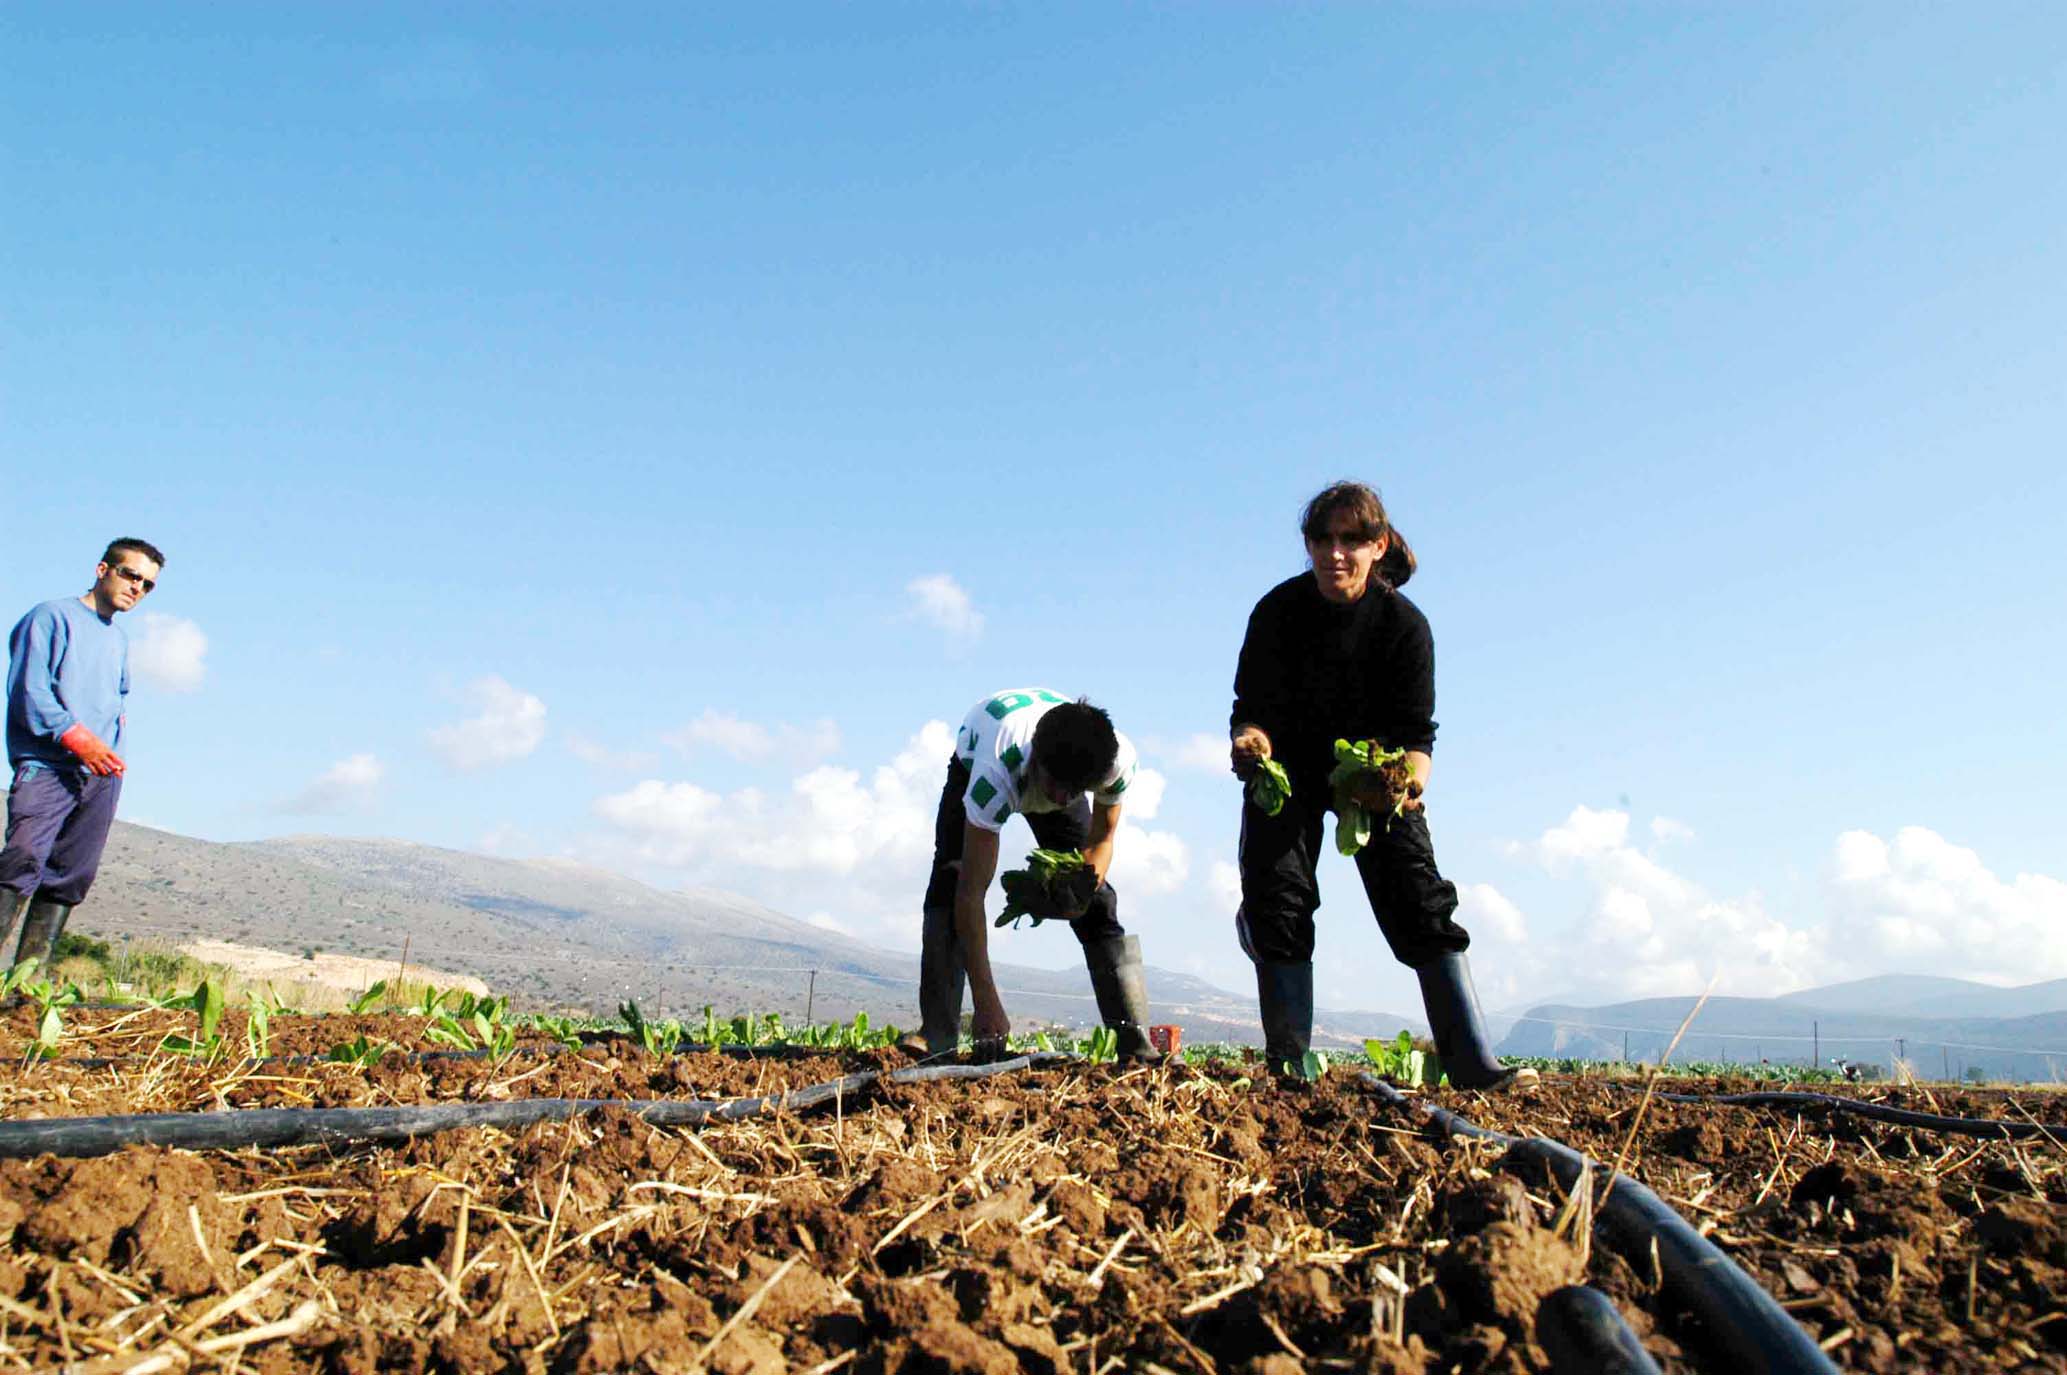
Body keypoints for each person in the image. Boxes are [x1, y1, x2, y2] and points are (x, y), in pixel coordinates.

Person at [1228, 484, 1531, 1090]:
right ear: (1309, 545)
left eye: (1352, 540)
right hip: (1288, 777)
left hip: (1372, 780)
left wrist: (1406, 785)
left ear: (1378, 545)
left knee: (1420, 900)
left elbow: (1419, 739)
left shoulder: (1404, 627)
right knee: (1279, 900)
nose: (1336, 553)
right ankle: (1290, 1067)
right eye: (1323, 540)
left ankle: (1472, 1062)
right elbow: (1249, 709)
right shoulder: (1277, 612)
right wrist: (1250, 742)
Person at [914, 689, 1161, 1061]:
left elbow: (1102, 840)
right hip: (977, 753)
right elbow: (971, 895)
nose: (1063, 800)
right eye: (1057, 787)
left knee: (1099, 902)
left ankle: (1136, 1047)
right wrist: (987, 1003)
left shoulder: (1115, 762)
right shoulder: (995, 774)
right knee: (950, 885)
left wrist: (1079, 895)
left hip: (1047, 764)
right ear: (1037, 763)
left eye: (1076, 791)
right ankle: (938, 1040)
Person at [1, 538, 165, 973]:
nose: (138, 589)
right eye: (131, 575)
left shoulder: (118, 640)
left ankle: (26, 991)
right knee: (22, 860)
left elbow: (117, 699)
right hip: (51, 765)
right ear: (102, 569)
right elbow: (30, 692)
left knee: (70, 875)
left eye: (148, 585)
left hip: (100, 776)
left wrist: (111, 749)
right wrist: (78, 739)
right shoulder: (51, 617)